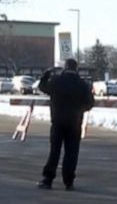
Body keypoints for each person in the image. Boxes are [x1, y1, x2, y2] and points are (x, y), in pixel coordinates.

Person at [37, 59, 94, 190]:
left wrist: (45, 75)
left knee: (54, 151)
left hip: (57, 122)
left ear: (64, 68)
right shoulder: (82, 84)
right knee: (71, 153)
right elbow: (90, 103)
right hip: (74, 123)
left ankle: (48, 179)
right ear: (76, 69)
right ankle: (68, 181)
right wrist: (79, 110)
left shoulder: (56, 81)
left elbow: (42, 87)